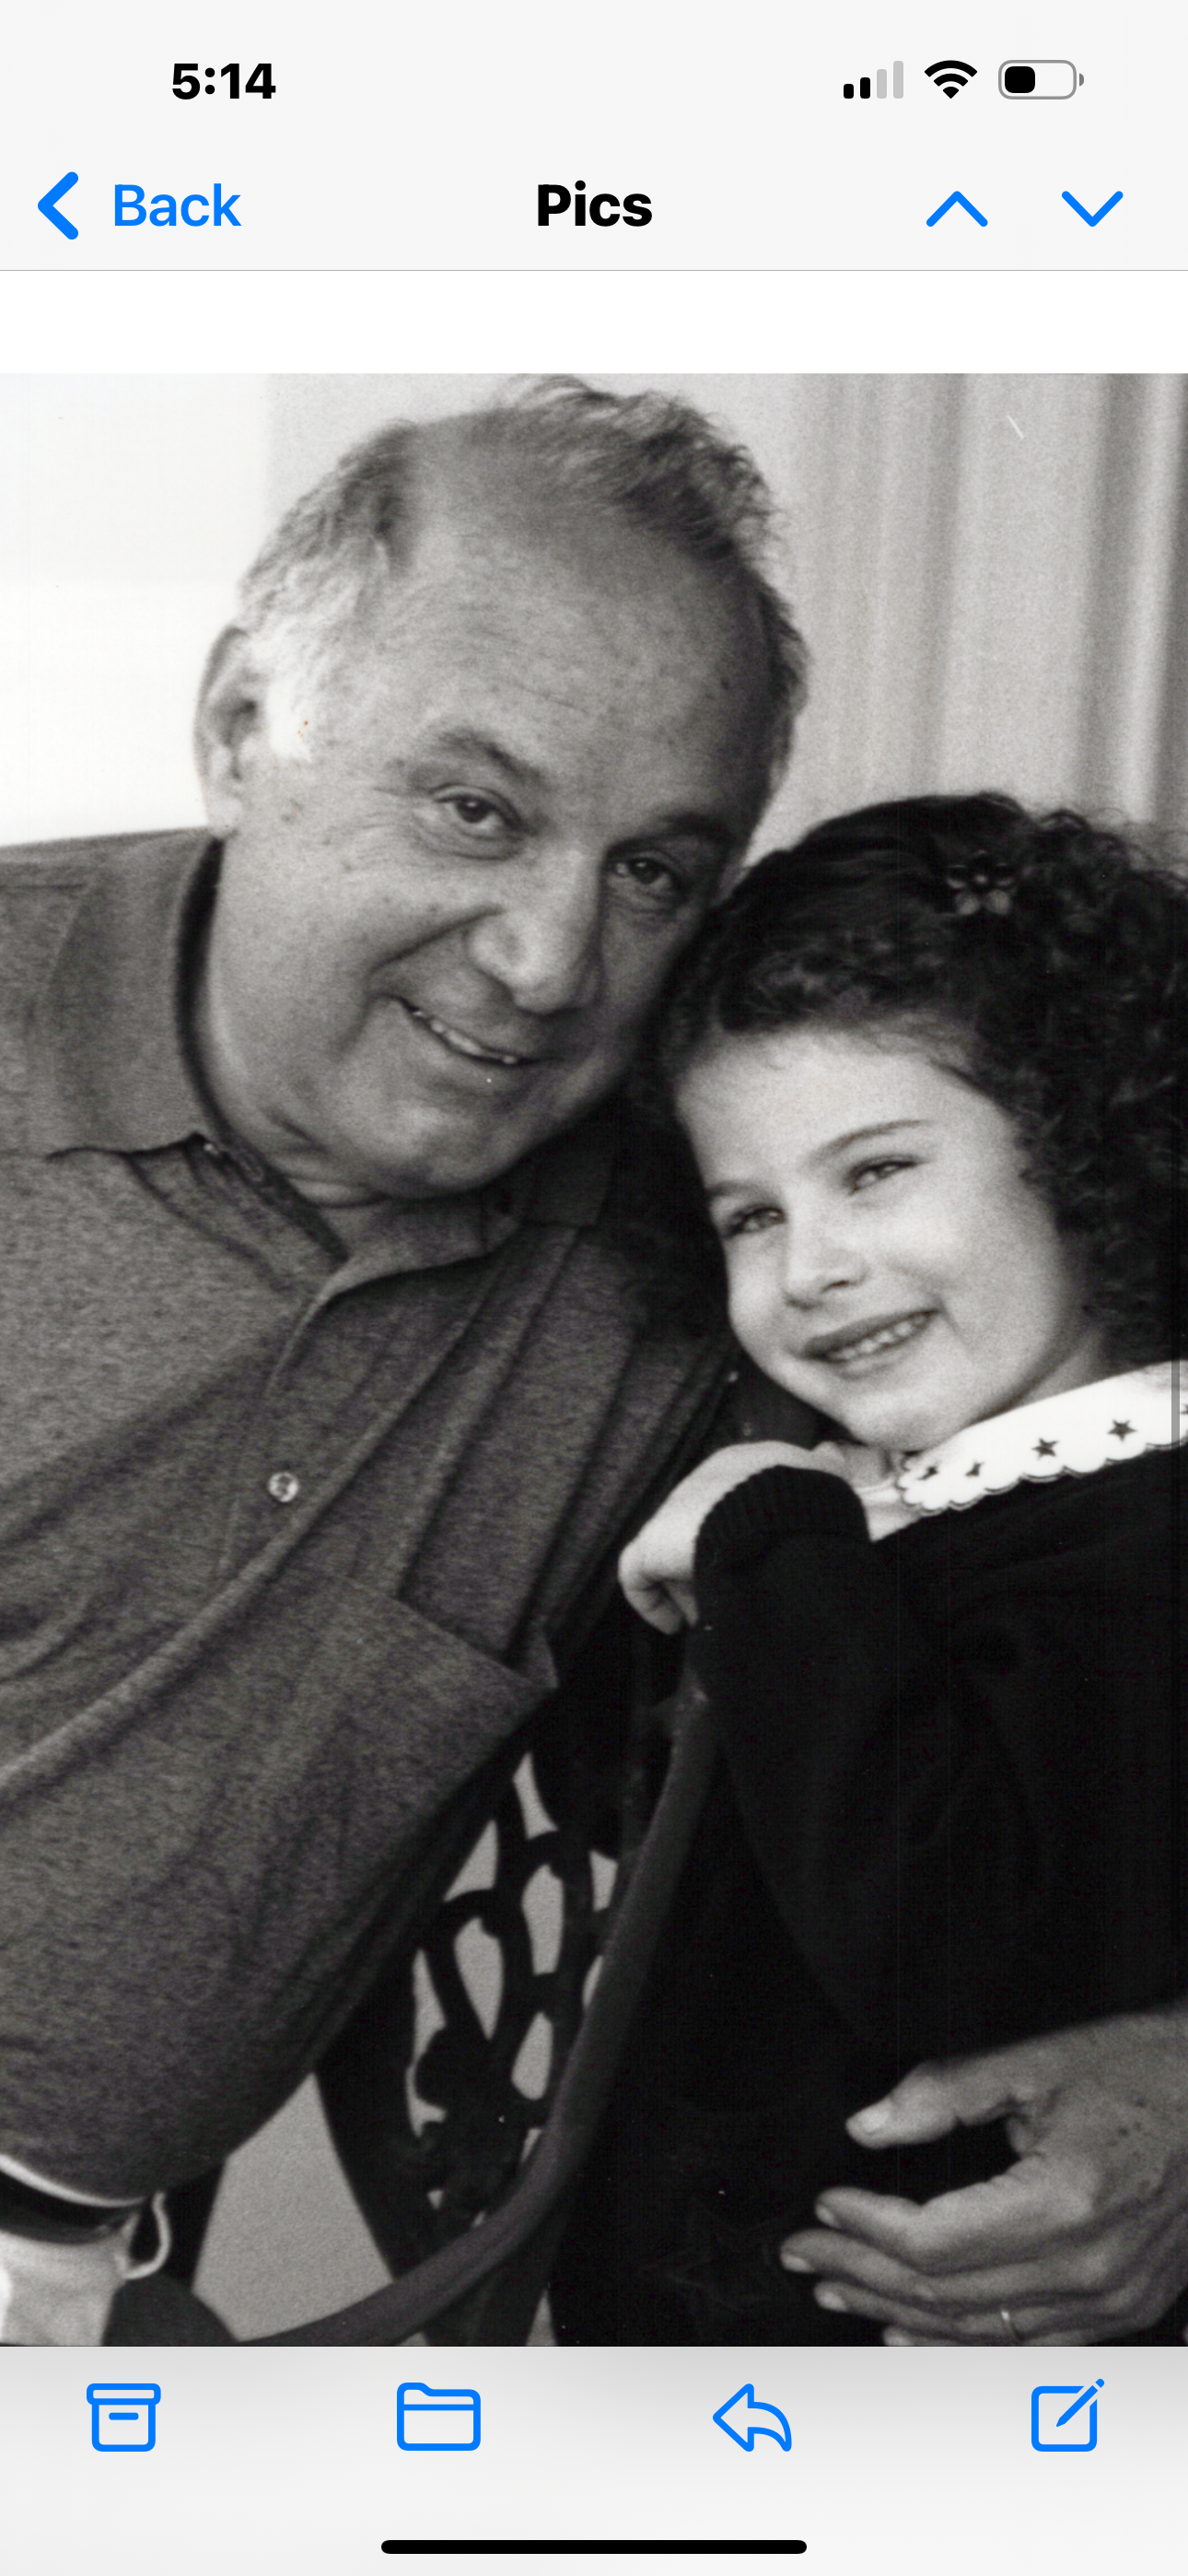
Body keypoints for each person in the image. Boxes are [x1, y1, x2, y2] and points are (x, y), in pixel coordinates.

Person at [0, 380, 799, 2341]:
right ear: (240, 727)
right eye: (476, 810)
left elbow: (1087, 1510)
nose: (546, 964)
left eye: (651, 871)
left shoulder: (730, 1213)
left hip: (74, 2275)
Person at [550, 793, 1188, 2346]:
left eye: (876, 1171)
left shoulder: (1144, 1537)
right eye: (748, 1215)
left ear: (1083, 1140)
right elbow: (621, 1790)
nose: (810, 1267)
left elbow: (951, 1955)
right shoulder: (900, 1499)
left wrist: (772, 1544)